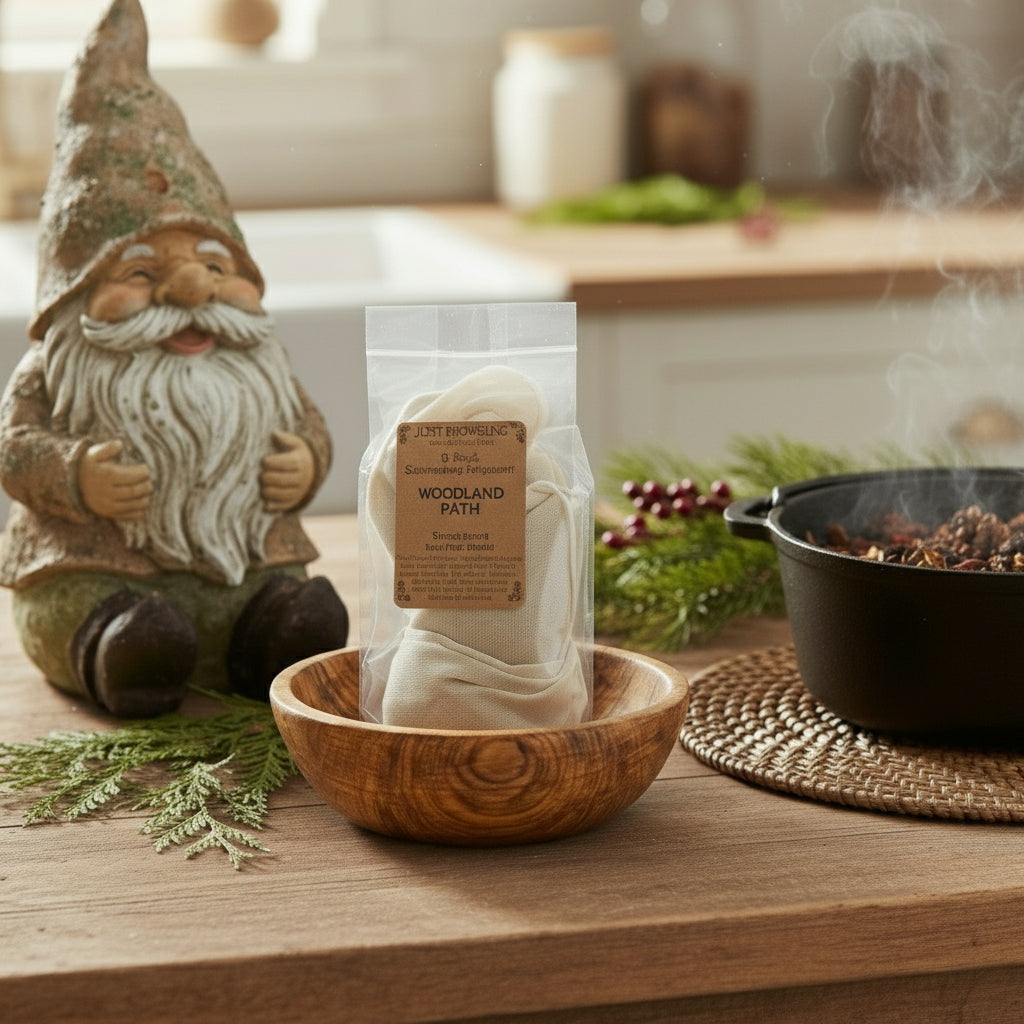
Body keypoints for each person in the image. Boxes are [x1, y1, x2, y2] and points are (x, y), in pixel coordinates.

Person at [0, 0, 347, 717]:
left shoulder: (256, 364)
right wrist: (74, 477)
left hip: (250, 560)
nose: (191, 289)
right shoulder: (57, 369)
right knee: (104, 615)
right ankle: (118, 650)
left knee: (293, 613)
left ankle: (271, 637)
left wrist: (307, 463)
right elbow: (13, 449)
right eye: (137, 273)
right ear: (75, 296)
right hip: (98, 569)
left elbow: (308, 425)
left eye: (217, 266)